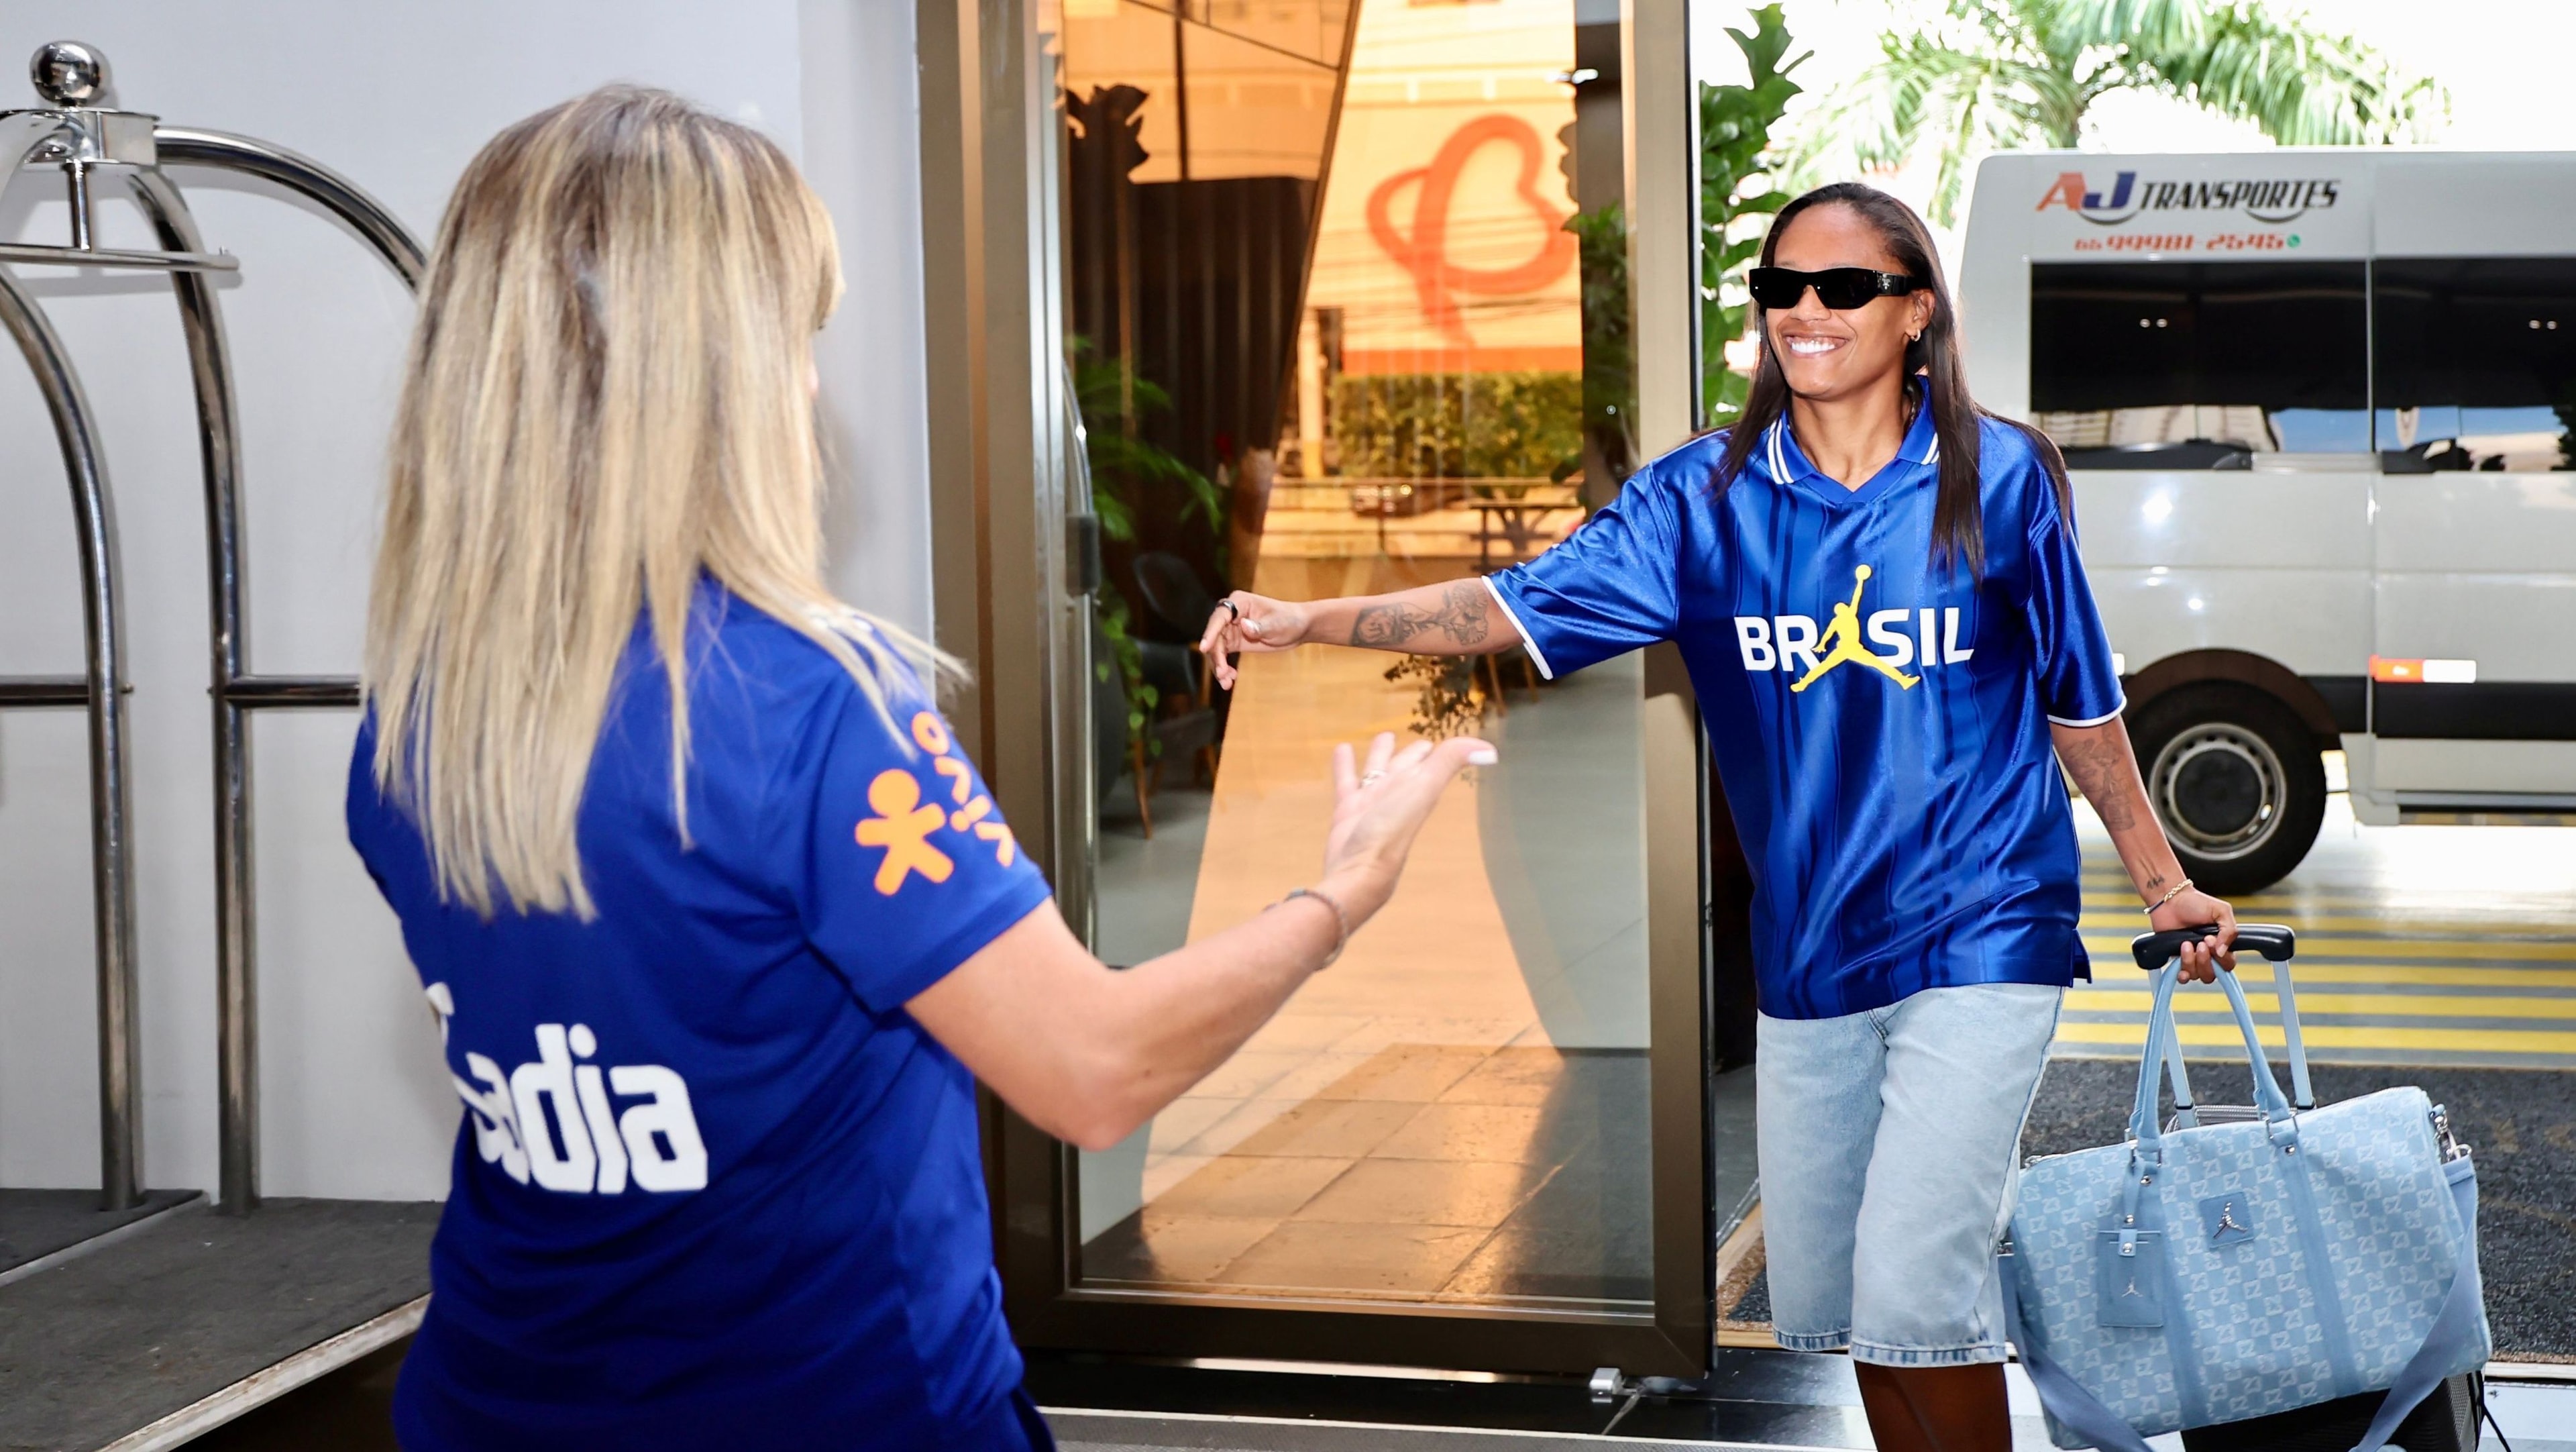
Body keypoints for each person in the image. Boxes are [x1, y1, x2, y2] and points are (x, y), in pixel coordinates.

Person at [347, 87, 1491, 1451]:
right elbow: (1093, 1067)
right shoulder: (809, 707)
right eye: (793, 338)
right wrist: (1341, 894)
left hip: (493, 1409)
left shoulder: (422, 716)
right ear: (710, 378)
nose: (809, 386)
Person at [1198, 182, 2237, 1451]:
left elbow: (2081, 707)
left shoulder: (2000, 477)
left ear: (1916, 310)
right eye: (1781, 287)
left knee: (1919, 1290)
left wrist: (2164, 881)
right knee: (1856, 1309)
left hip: (1984, 929)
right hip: (1808, 953)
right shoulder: (1704, 498)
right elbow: (1510, 607)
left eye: (1843, 287)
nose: (1806, 310)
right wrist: (1307, 620)